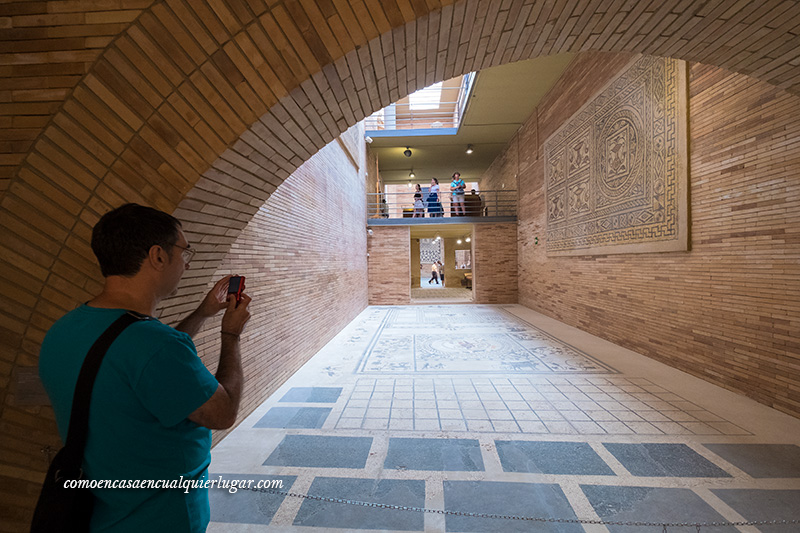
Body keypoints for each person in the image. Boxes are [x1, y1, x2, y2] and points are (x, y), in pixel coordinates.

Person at [39, 203, 252, 532]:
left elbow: (143, 363)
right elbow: (222, 412)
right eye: (185, 251)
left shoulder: (64, 330)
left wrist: (202, 313)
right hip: (160, 518)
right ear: (157, 256)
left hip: (95, 514)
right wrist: (230, 334)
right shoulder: (157, 346)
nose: (186, 262)